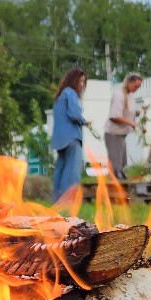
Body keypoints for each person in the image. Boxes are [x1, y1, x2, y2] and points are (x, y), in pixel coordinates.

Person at [50, 67, 91, 202]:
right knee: (72, 172)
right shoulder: (71, 93)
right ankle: (68, 201)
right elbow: (74, 114)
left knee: (60, 171)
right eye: (80, 81)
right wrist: (84, 121)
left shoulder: (61, 95)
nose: (82, 85)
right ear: (73, 81)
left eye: (84, 82)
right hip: (72, 137)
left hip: (60, 139)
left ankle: (57, 200)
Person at [102, 72, 144, 179]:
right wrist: (132, 123)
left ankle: (123, 193)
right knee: (116, 168)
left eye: (139, 87)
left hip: (121, 135)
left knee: (123, 165)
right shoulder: (119, 95)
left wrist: (140, 112)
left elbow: (128, 112)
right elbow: (114, 117)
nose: (137, 89)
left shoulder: (130, 96)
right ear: (129, 82)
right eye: (136, 86)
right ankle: (114, 192)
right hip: (113, 134)